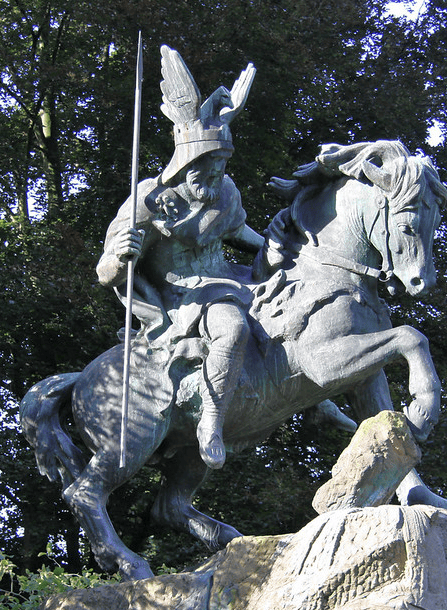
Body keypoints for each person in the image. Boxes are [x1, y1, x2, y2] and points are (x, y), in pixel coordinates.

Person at [95, 46, 262, 469]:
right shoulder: (149, 200)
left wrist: (284, 248)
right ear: (185, 163)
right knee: (232, 327)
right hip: (179, 298)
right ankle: (211, 418)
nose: (214, 178)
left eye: (221, 168)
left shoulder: (226, 192)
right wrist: (121, 254)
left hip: (225, 278)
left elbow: (240, 233)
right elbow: (105, 272)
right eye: (204, 169)